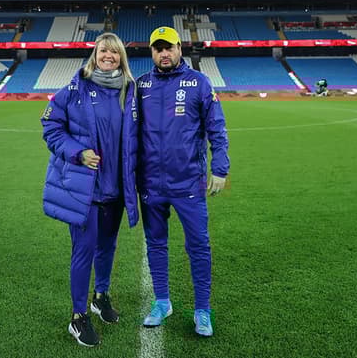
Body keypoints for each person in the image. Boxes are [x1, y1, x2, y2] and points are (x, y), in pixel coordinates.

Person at [41, 32, 140, 347]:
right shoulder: (76, 86)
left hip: (116, 190)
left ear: (121, 57)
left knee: (107, 248)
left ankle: (101, 296)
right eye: (102, 50)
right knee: (83, 251)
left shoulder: (128, 90)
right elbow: (50, 125)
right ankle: (78, 316)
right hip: (84, 189)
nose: (107, 55)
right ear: (94, 54)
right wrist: (77, 152)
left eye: (113, 51)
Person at [136, 26, 230, 337]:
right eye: (158, 48)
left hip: (188, 183)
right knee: (156, 245)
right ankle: (162, 302)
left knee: (199, 246)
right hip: (150, 184)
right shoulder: (142, 85)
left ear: (180, 49)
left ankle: (202, 310)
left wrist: (220, 168)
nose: (164, 53)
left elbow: (217, 128)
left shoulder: (199, 83)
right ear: (152, 52)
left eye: (169, 47)